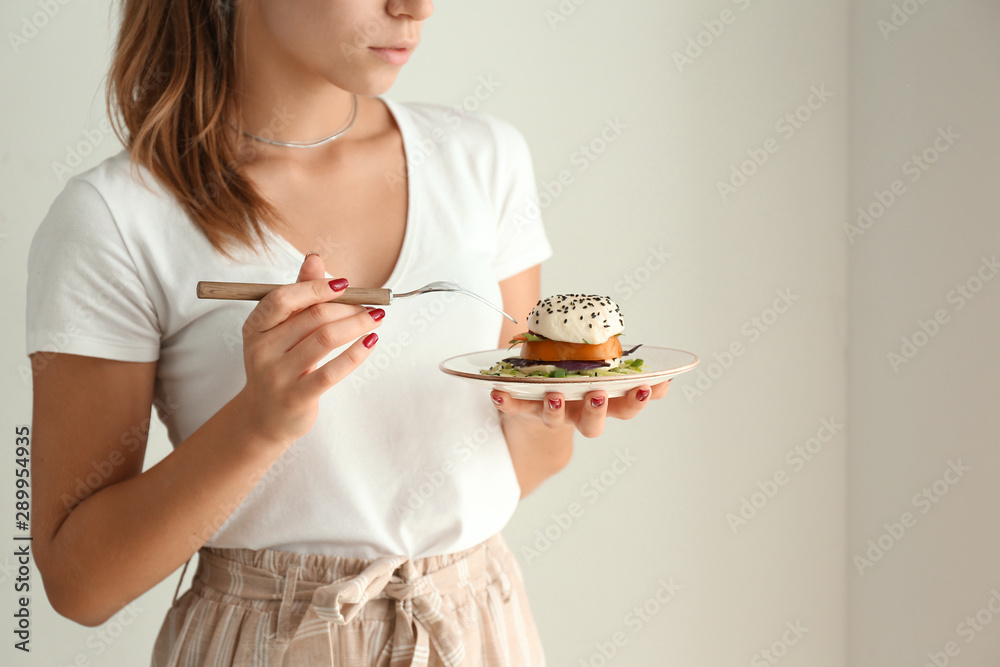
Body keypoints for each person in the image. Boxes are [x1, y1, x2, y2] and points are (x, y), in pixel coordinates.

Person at [25, 1, 669, 664]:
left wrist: (554, 413)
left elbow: (519, 461)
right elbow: (80, 585)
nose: (414, 7)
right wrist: (258, 422)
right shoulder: (115, 218)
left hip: (479, 630)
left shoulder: (485, 161)